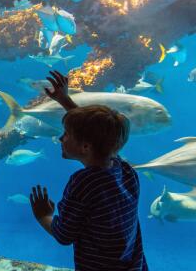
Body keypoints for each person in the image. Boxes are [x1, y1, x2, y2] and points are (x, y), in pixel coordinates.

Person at [29, 70, 148, 270]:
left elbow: (64, 235)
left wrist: (43, 215)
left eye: (66, 134)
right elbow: (97, 133)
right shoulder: (126, 170)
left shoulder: (84, 183)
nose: (60, 138)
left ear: (86, 147)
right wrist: (65, 100)